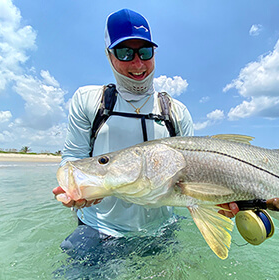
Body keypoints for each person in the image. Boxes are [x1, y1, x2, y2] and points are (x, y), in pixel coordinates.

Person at [52, 8, 239, 258]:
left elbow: (195, 180)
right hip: (99, 228)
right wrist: (77, 191)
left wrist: (225, 200)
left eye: (145, 52)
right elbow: (73, 157)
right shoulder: (89, 101)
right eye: (125, 53)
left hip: (161, 231)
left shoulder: (177, 112)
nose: (138, 64)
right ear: (109, 56)